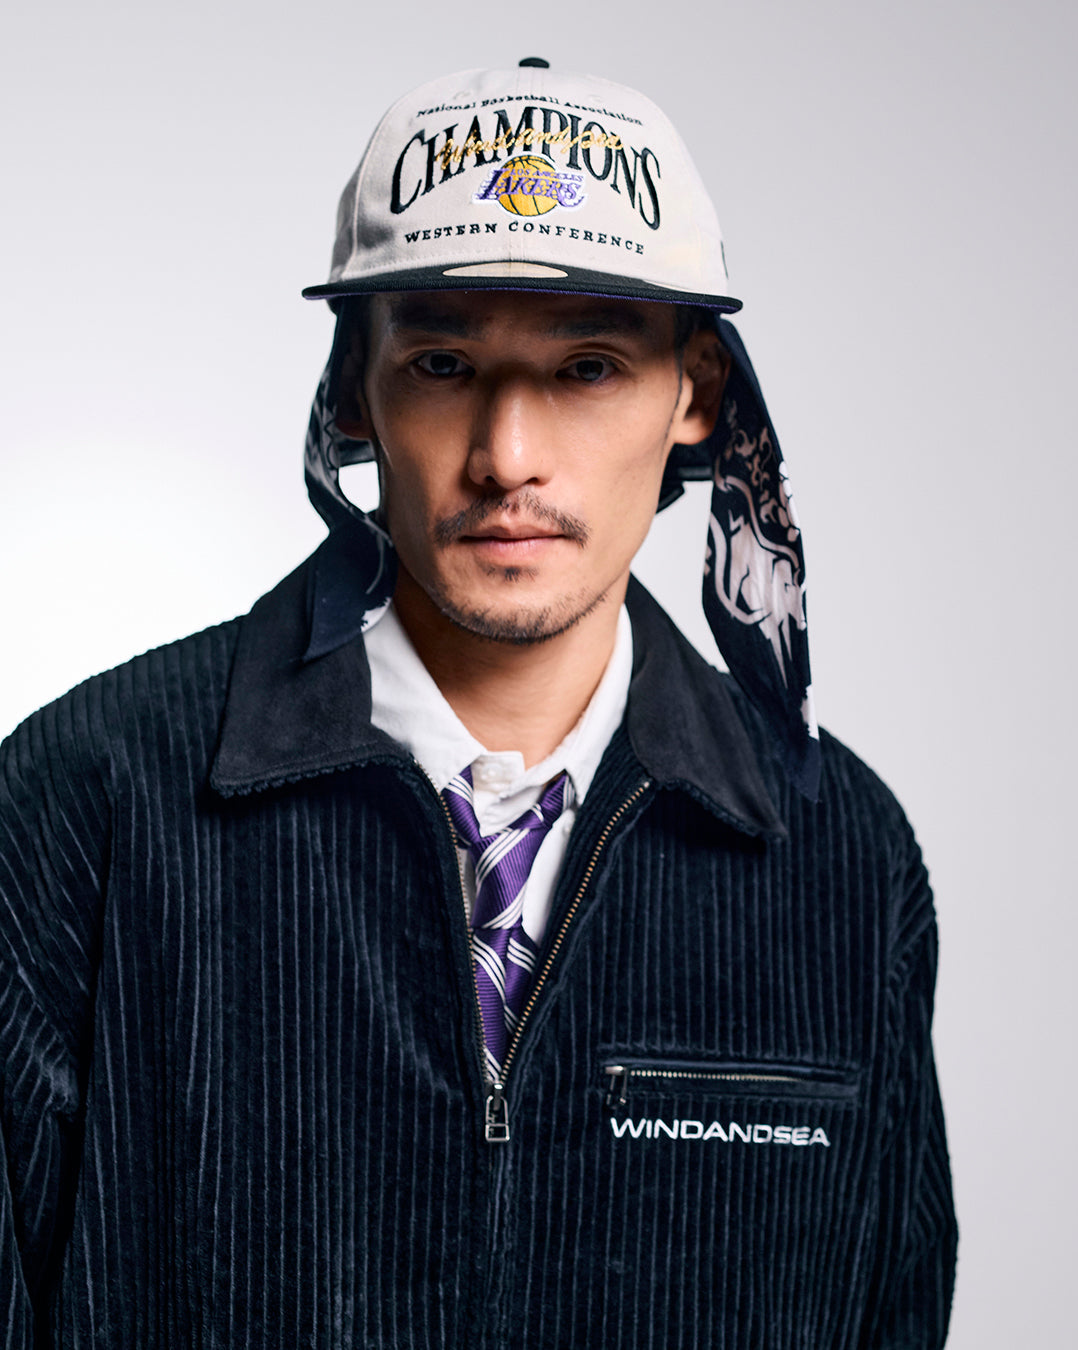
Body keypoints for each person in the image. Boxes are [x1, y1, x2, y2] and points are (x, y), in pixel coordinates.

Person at [0, 57, 956, 1348]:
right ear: (355, 387)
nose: (509, 456)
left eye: (588, 367)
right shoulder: (89, 801)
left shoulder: (837, 855)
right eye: (445, 362)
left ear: (696, 394)